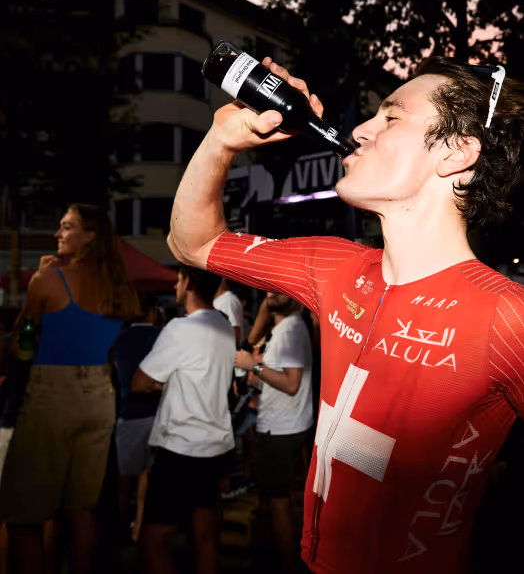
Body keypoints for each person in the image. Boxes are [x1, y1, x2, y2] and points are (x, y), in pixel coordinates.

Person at [167, 56, 524, 574]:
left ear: (455, 152)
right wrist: (223, 140)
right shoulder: (333, 265)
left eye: (390, 117)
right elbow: (192, 243)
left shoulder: (505, 316)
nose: (359, 129)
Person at [0, 204, 140, 574]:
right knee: (81, 511)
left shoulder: (49, 279)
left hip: (53, 392)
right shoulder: (120, 287)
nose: (57, 234)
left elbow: (22, 344)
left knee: (22, 517)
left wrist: (44, 276)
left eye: (66, 227)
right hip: (99, 396)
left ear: (90, 234)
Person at [132, 264, 236, 574]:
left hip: (180, 449)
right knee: (204, 535)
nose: (175, 286)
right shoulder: (224, 325)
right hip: (215, 448)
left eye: (178, 279)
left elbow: (139, 381)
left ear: (187, 282)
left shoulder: (180, 328)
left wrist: (165, 382)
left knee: (154, 538)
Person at [235, 291, 313, 574]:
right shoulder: (286, 328)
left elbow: (291, 383)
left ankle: (286, 566)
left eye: (279, 290)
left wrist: (252, 366)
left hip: (280, 429)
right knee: (273, 500)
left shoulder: (290, 330)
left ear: (294, 298)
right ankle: (272, 557)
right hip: (286, 425)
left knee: (279, 505)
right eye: (268, 289)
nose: (271, 293)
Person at [112, 291, 163, 543]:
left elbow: (116, 369)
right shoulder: (160, 336)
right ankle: (139, 530)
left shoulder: (119, 339)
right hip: (155, 413)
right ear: (152, 311)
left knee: (123, 482)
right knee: (147, 478)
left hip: (128, 414)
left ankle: (118, 531)